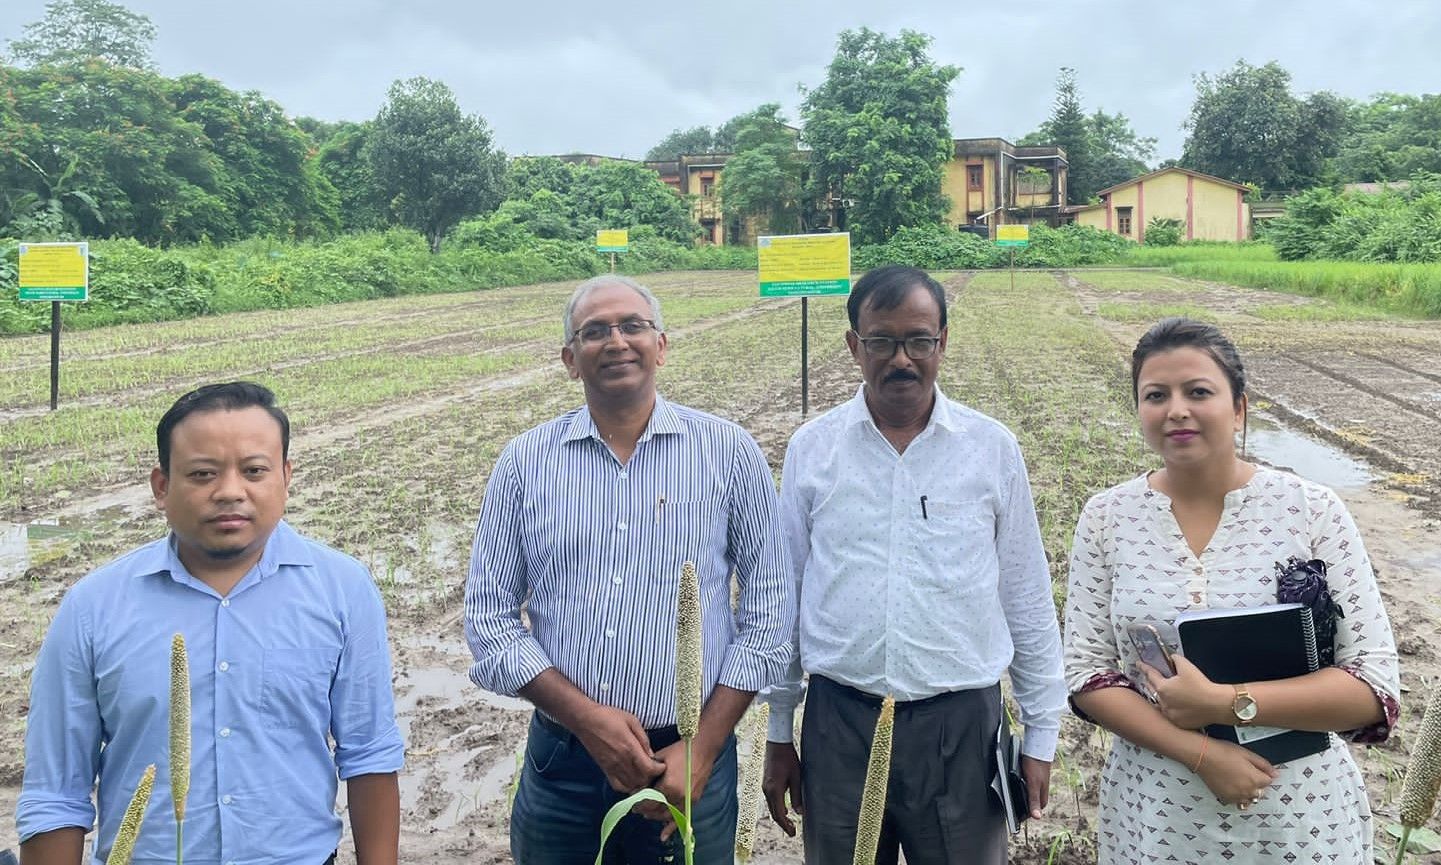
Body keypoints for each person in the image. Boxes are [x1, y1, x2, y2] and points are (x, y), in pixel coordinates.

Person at [464, 274, 794, 865]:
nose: (615, 341)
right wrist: (589, 721)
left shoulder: (728, 452)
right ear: (571, 360)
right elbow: (488, 623)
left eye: (632, 326)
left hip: (691, 759)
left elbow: (770, 617)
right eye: (594, 332)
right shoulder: (524, 463)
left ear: (660, 346)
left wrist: (705, 746)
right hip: (563, 761)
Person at [17, 382, 404, 865]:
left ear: (285, 476)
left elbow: (369, 755)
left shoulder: (342, 589)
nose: (230, 492)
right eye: (202, 474)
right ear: (162, 486)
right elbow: (56, 789)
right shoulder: (93, 608)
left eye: (255, 471)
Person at [1063, 317, 1400, 863]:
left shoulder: (1311, 510)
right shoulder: (1106, 517)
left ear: (1239, 407)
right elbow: (1086, 672)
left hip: (1299, 815)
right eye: (1156, 395)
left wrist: (1224, 703)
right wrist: (1201, 753)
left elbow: (1372, 686)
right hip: (1158, 813)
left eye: (1198, 391)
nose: (1176, 409)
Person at [762, 265, 1066, 865]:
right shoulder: (813, 449)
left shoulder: (991, 448)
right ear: (854, 345)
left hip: (961, 728)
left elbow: (1026, 595)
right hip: (840, 721)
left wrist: (1042, 733)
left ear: (942, 342)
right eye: (881, 341)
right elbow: (786, 595)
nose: (901, 360)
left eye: (919, 340)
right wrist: (778, 729)